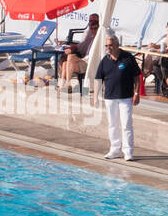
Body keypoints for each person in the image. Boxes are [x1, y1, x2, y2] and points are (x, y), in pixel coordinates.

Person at [93, 30, 140, 161]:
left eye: (111, 45)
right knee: (112, 124)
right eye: (106, 46)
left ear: (117, 45)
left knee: (126, 124)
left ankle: (128, 151)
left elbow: (137, 77)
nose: (108, 48)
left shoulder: (128, 58)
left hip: (125, 97)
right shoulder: (104, 60)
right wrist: (95, 97)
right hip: (110, 97)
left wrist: (136, 93)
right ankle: (114, 149)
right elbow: (98, 79)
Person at [60, 14, 100, 90]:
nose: (92, 27)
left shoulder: (99, 38)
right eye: (90, 22)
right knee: (65, 62)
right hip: (85, 59)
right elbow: (81, 45)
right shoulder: (90, 36)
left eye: (95, 26)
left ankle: (67, 84)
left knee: (70, 57)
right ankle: (64, 84)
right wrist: (72, 47)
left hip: (90, 62)